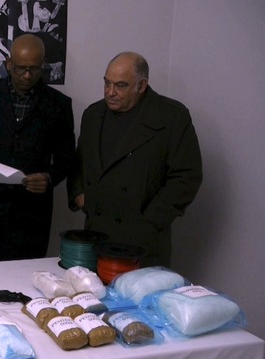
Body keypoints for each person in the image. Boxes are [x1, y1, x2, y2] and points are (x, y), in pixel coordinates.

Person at [66, 51, 202, 267]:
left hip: (142, 239)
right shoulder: (93, 114)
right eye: (107, 83)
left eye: (120, 86)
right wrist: (79, 195)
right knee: (93, 287)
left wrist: (150, 220)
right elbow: (78, 162)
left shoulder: (172, 117)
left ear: (142, 85)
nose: (110, 92)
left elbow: (187, 177)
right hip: (96, 233)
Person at [0, 33, 75, 262]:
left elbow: (67, 157)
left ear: (43, 65)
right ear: (8, 64)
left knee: (28, 281)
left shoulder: (59, 104)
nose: (27, 75)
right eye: (21, 68)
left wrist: (49, 178)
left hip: (32, 216)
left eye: (34, 69)